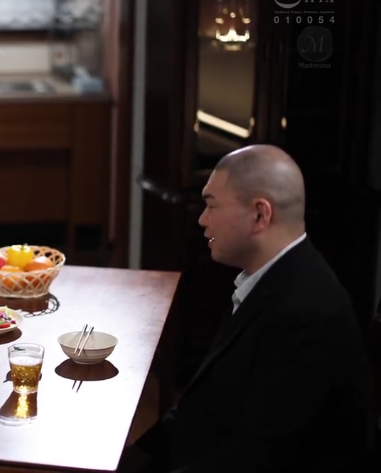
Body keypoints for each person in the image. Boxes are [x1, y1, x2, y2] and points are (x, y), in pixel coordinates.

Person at [120, 145, 374, 472]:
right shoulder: (271, 278)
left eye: (211, 205)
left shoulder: (308, 314)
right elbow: (204, 408)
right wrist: (131, 461)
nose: (202, 219)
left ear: (259, 215)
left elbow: (258, 457)